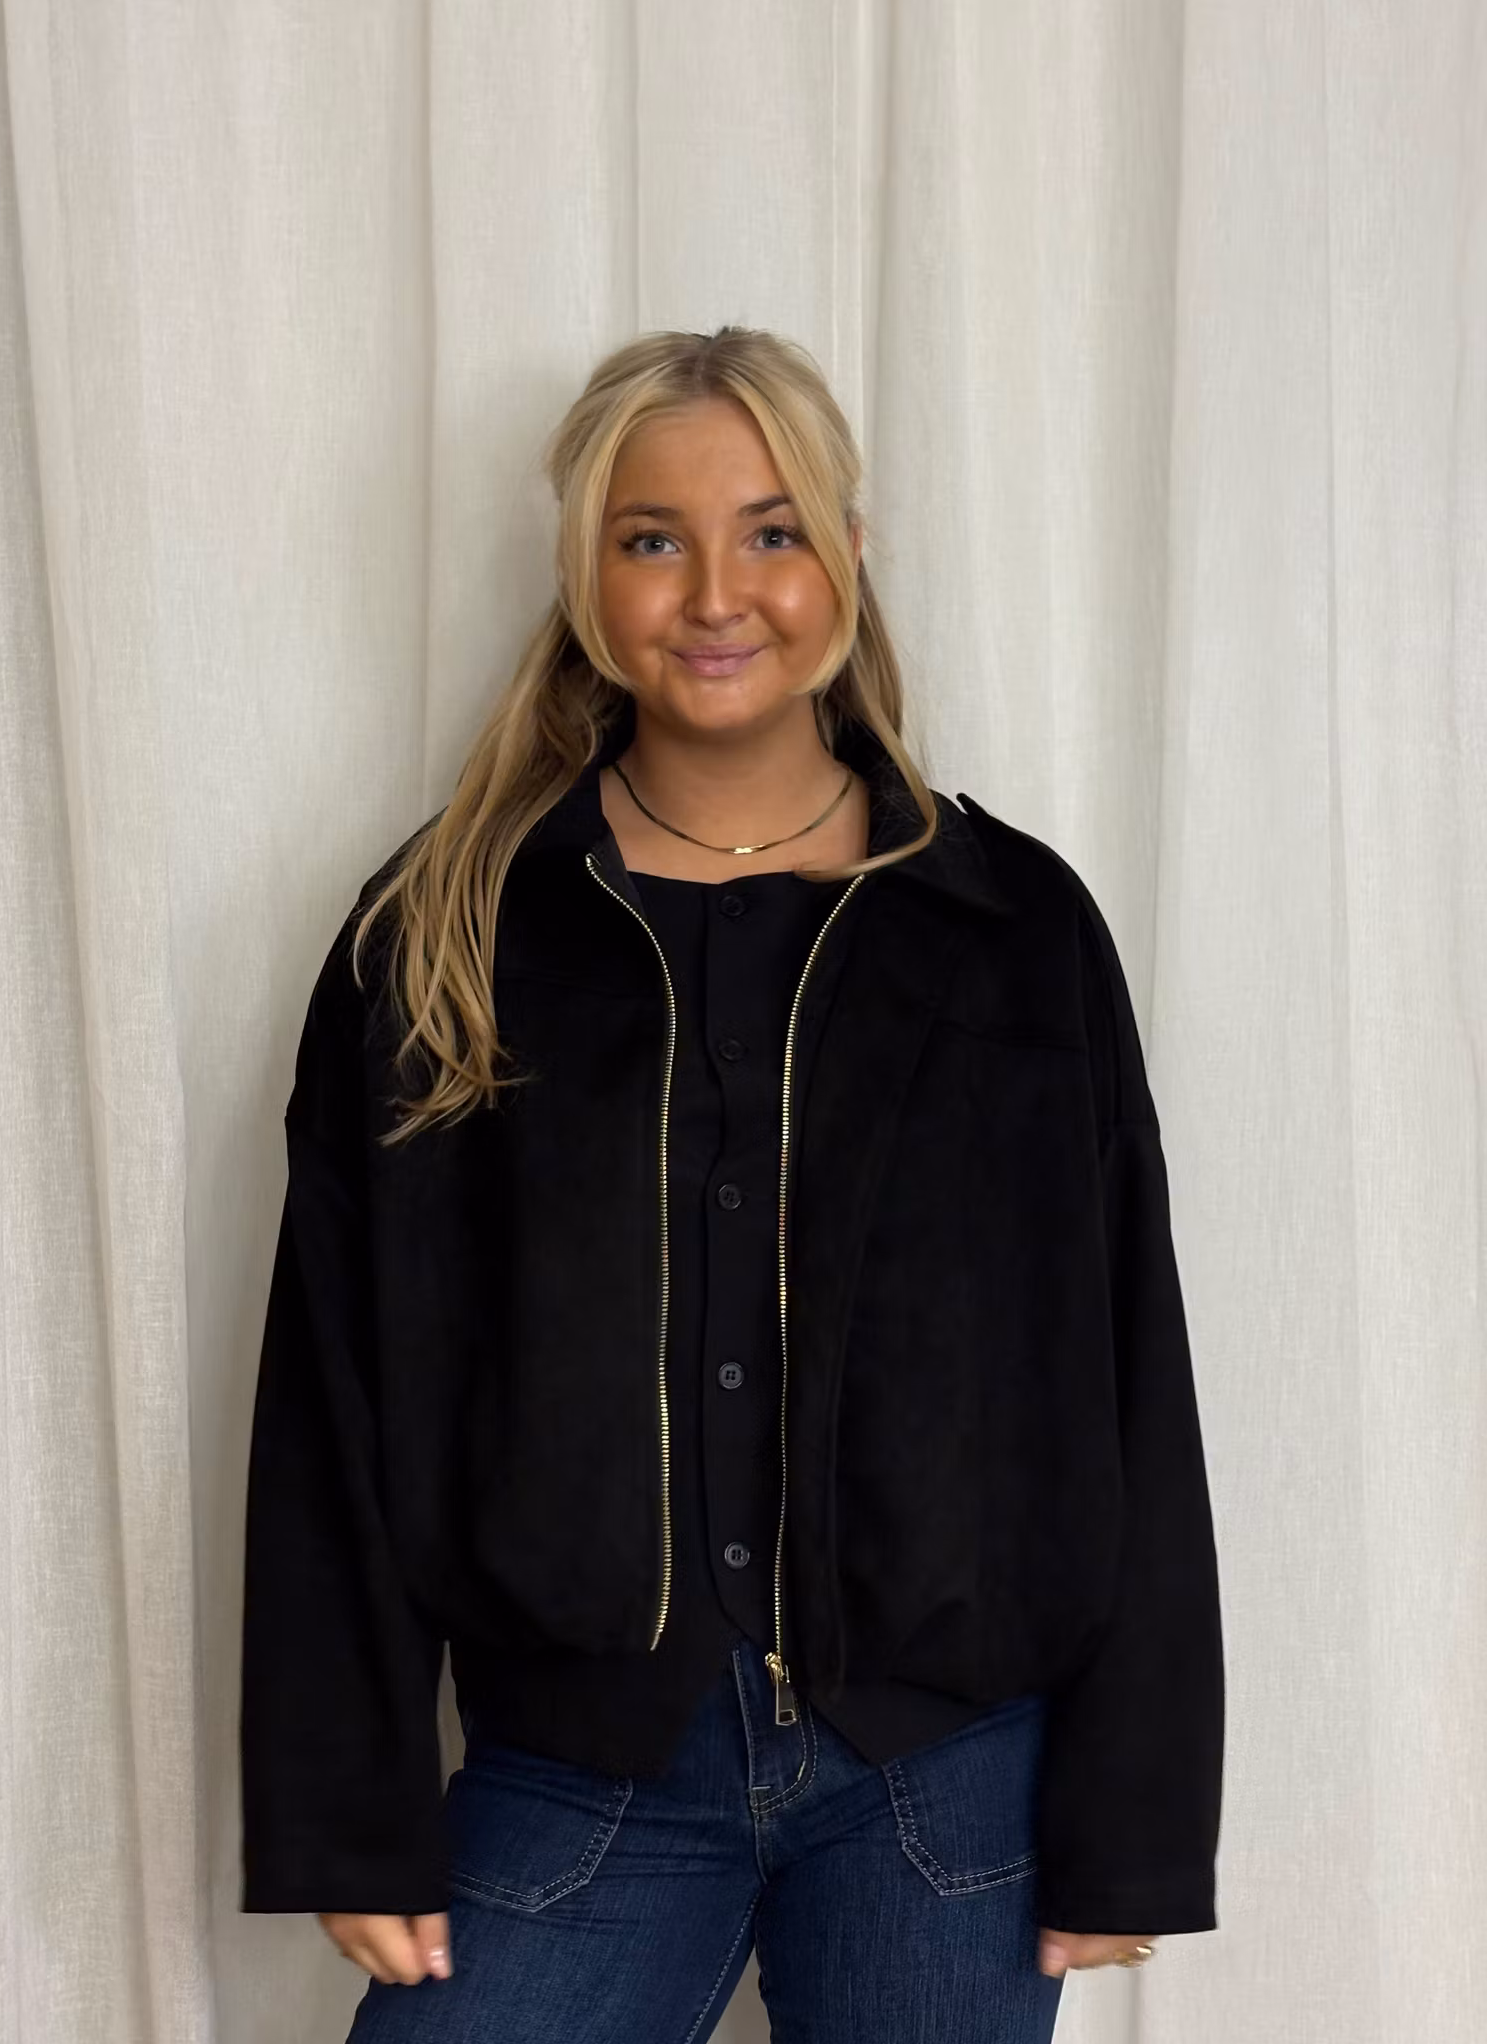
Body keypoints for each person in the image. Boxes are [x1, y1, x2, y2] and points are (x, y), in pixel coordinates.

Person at [238, 325, 1225, 2042]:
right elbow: (341, 1378)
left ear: (846, 552)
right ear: (585, 572)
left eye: (770, 531)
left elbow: (1126, 1359)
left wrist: (1135, 1812)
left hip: (947, 1786)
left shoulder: (1009, 928)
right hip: (577, 1778)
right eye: (653, 538)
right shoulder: (448, 930)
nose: (715, 594)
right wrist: (349, 1802)